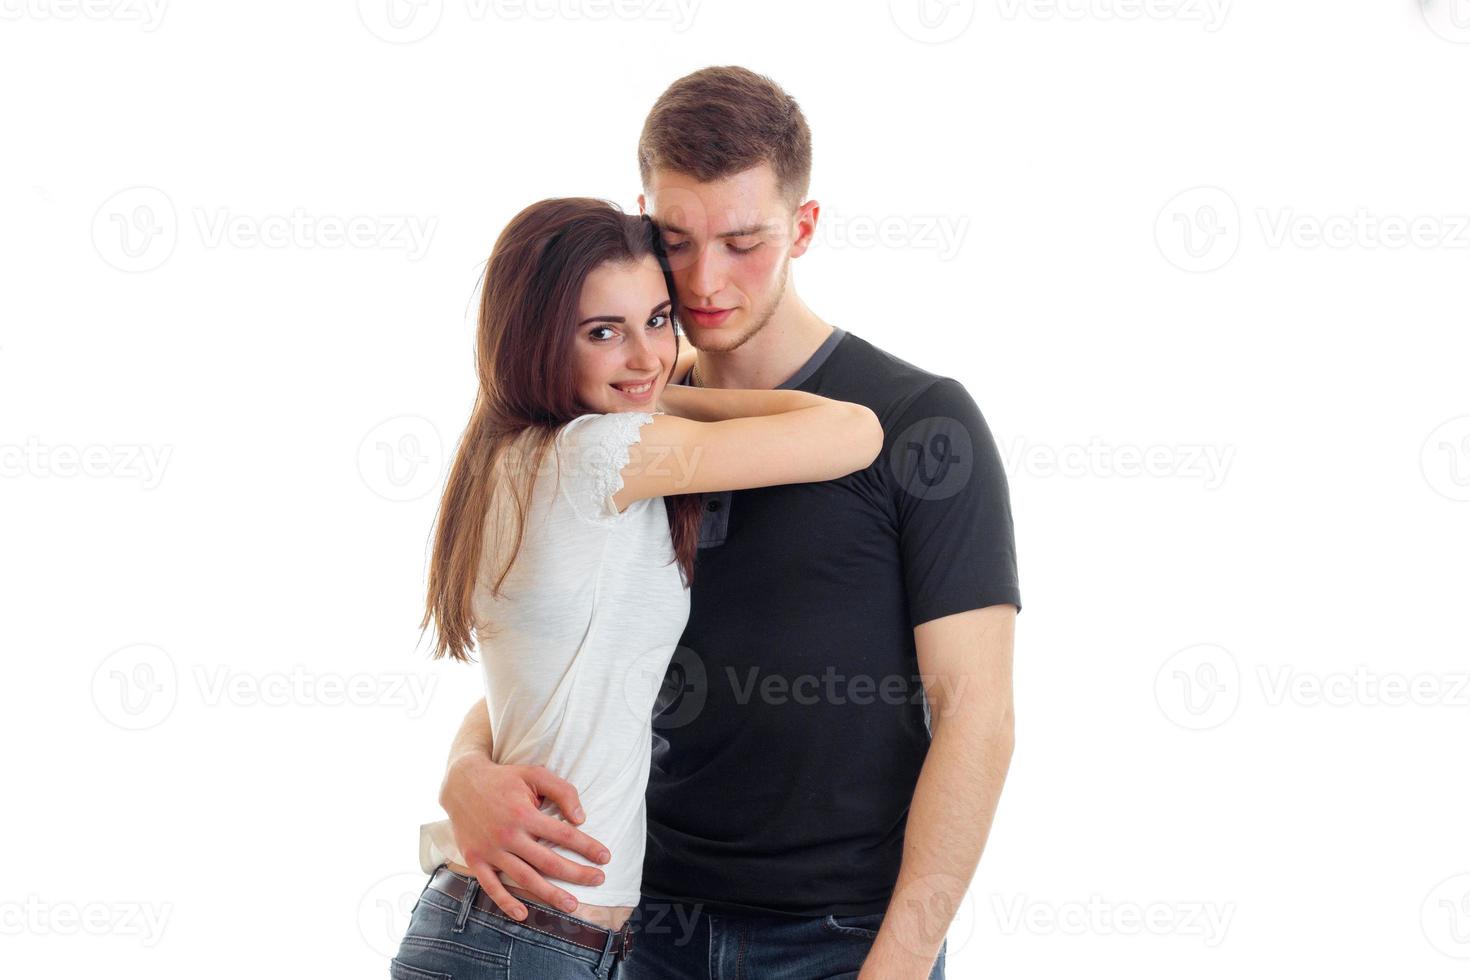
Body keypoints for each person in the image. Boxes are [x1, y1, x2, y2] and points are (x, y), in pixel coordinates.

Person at [436, 67, 1022, 980]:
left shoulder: (923, 421)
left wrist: (898, 967)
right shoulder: (615, 435)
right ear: (643, 220)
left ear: (806, 227)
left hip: (837, 942)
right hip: (637, 933)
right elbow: (580, 662)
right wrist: (464, 770)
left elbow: (977, 715)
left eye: (745, 241)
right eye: (676, 240)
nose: (706, 280)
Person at [391, 196, 884, 980]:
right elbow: (854, 430)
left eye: (658, 320)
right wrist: (669, 397)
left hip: (522, 933)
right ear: (536, 341)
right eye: (602, 333)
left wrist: (463, 768)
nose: (648, 355)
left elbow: (538, 691)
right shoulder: (600, 454)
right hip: (531, 939)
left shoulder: (508, 454)